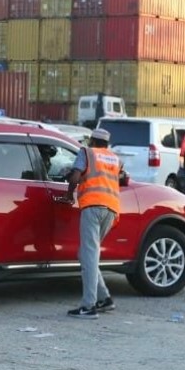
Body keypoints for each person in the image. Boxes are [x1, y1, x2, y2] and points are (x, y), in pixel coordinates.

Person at [64, 128, 128, 318]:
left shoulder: (87, 153)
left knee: (89, 255)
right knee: (86, 254)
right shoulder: (115, 159)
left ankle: (88, 306)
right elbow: (123, 178)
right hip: (111, 209)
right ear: (106, 144)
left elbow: (75, 176)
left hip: (92, 206)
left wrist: (69, 194)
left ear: (92, 141)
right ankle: (104, 299)